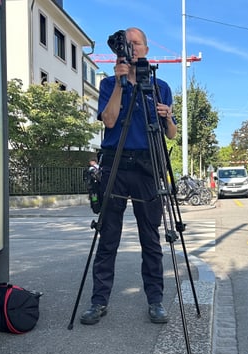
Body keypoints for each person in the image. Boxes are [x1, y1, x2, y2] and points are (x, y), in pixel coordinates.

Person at [80, 27, 177, 325]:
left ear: (147, 49)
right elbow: (109, 121)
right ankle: (99, 302)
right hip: (116, 165)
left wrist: (168, 117)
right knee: (108, 238)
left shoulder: (160, 87)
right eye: (128, 44)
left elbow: (171, 134)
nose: (132, 48)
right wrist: (121, 83)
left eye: (137, 44)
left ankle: (156, 301)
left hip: (148, 167)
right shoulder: (110, 84)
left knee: (151, 239)